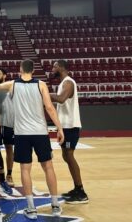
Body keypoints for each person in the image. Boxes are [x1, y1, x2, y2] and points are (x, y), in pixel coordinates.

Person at [0, 59, 65, 219]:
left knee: (25, 169)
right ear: (33, 70)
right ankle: (55, 205)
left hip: (22, 134)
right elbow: (49, 107)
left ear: (20, 70)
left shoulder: (12, 84)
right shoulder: (41, 84)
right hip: (41, 132)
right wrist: (59, 128)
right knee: (48, 167)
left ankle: (31, 208)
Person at [50, 60, 89, 204]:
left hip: (70, 126)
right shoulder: (62, 83)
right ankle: (77, 188)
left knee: (69, 156)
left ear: (61, 67)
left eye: (54, 66)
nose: (52, 69)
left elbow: (61, 99)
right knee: (67, 156)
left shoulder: (68, 82)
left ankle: (81, 191)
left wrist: (44, 94)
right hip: (65, 126)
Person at [0, 68, 15, 187]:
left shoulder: (10, 87)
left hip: (8, 123)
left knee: (9, 148)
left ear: (5, 75)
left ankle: (9, 174)